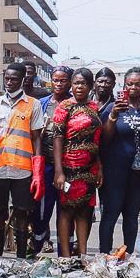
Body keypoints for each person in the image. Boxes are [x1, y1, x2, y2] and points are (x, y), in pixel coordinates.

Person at [96, 68, 140, 256]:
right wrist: (113, 117)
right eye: (129, 84)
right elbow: (104, 140)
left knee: (132, 216)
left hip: (139, 172)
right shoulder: (113, 108)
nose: (133, 87)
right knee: (110, 215)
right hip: (115, 170)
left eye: (137, 84)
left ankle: (128, 255)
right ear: (124, 85)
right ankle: (105, 255)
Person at [0, 63, 38, 258]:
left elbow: (36, 138)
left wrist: (37, 169)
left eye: (14, 79)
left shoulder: (32, 104)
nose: (10, 82)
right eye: (7, 78)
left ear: (23, 80)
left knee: (22, 213)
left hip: (23, 169)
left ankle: (22, 258)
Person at [51, 68, 102, 257]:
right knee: (66, 212)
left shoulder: (94, 107)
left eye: (84, 83)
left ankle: (82, 255)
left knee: (84, 213)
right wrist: (59, 172)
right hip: (68, 167)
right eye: (76, 83)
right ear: (71, 85)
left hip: (90, 169)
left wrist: (100, 168)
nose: (79, 87)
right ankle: (65, 257)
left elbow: (97, 140)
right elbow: (57, 140)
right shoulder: (63, 107)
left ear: (90, 86)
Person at [32, 65, 71, 253]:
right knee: (42, 210)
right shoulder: (42, 103)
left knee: (66, 209)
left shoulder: (75, 104)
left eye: (63, 80)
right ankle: (37, 248)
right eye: (56, 80)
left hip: (69, 166)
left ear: (69, 82)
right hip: (45, 165)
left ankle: (66, 254)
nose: (59, 84)